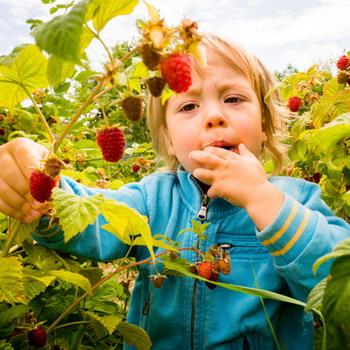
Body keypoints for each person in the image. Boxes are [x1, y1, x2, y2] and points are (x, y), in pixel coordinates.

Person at [0, 34, 349, 350]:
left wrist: (263, 200)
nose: (213, 116)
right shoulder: (151, 200)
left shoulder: (297, 201)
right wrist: (42, 187)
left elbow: (339, 289)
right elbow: (89, 219)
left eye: (233, 98)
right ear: (168, 137)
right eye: (188, 106)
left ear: (265, 124)